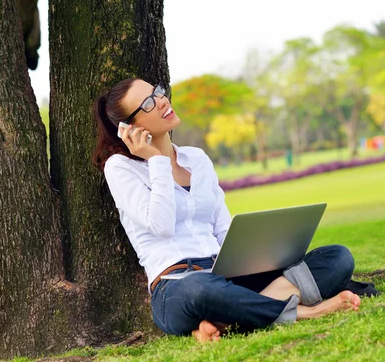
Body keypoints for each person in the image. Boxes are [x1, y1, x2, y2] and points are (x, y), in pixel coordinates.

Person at [91, 78, 361, 342]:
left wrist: (257, 259)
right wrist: (156, 161)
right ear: (130, 127)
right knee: (200, 289)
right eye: (149, 103)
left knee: (337, 257)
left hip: (226, 277)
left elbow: (222, 227)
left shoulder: (196, 158)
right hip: (176, 287)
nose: (162, 101)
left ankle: (224, 320)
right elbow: (161, 225)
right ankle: (305, 312)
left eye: (157, 92)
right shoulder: (120, 167)